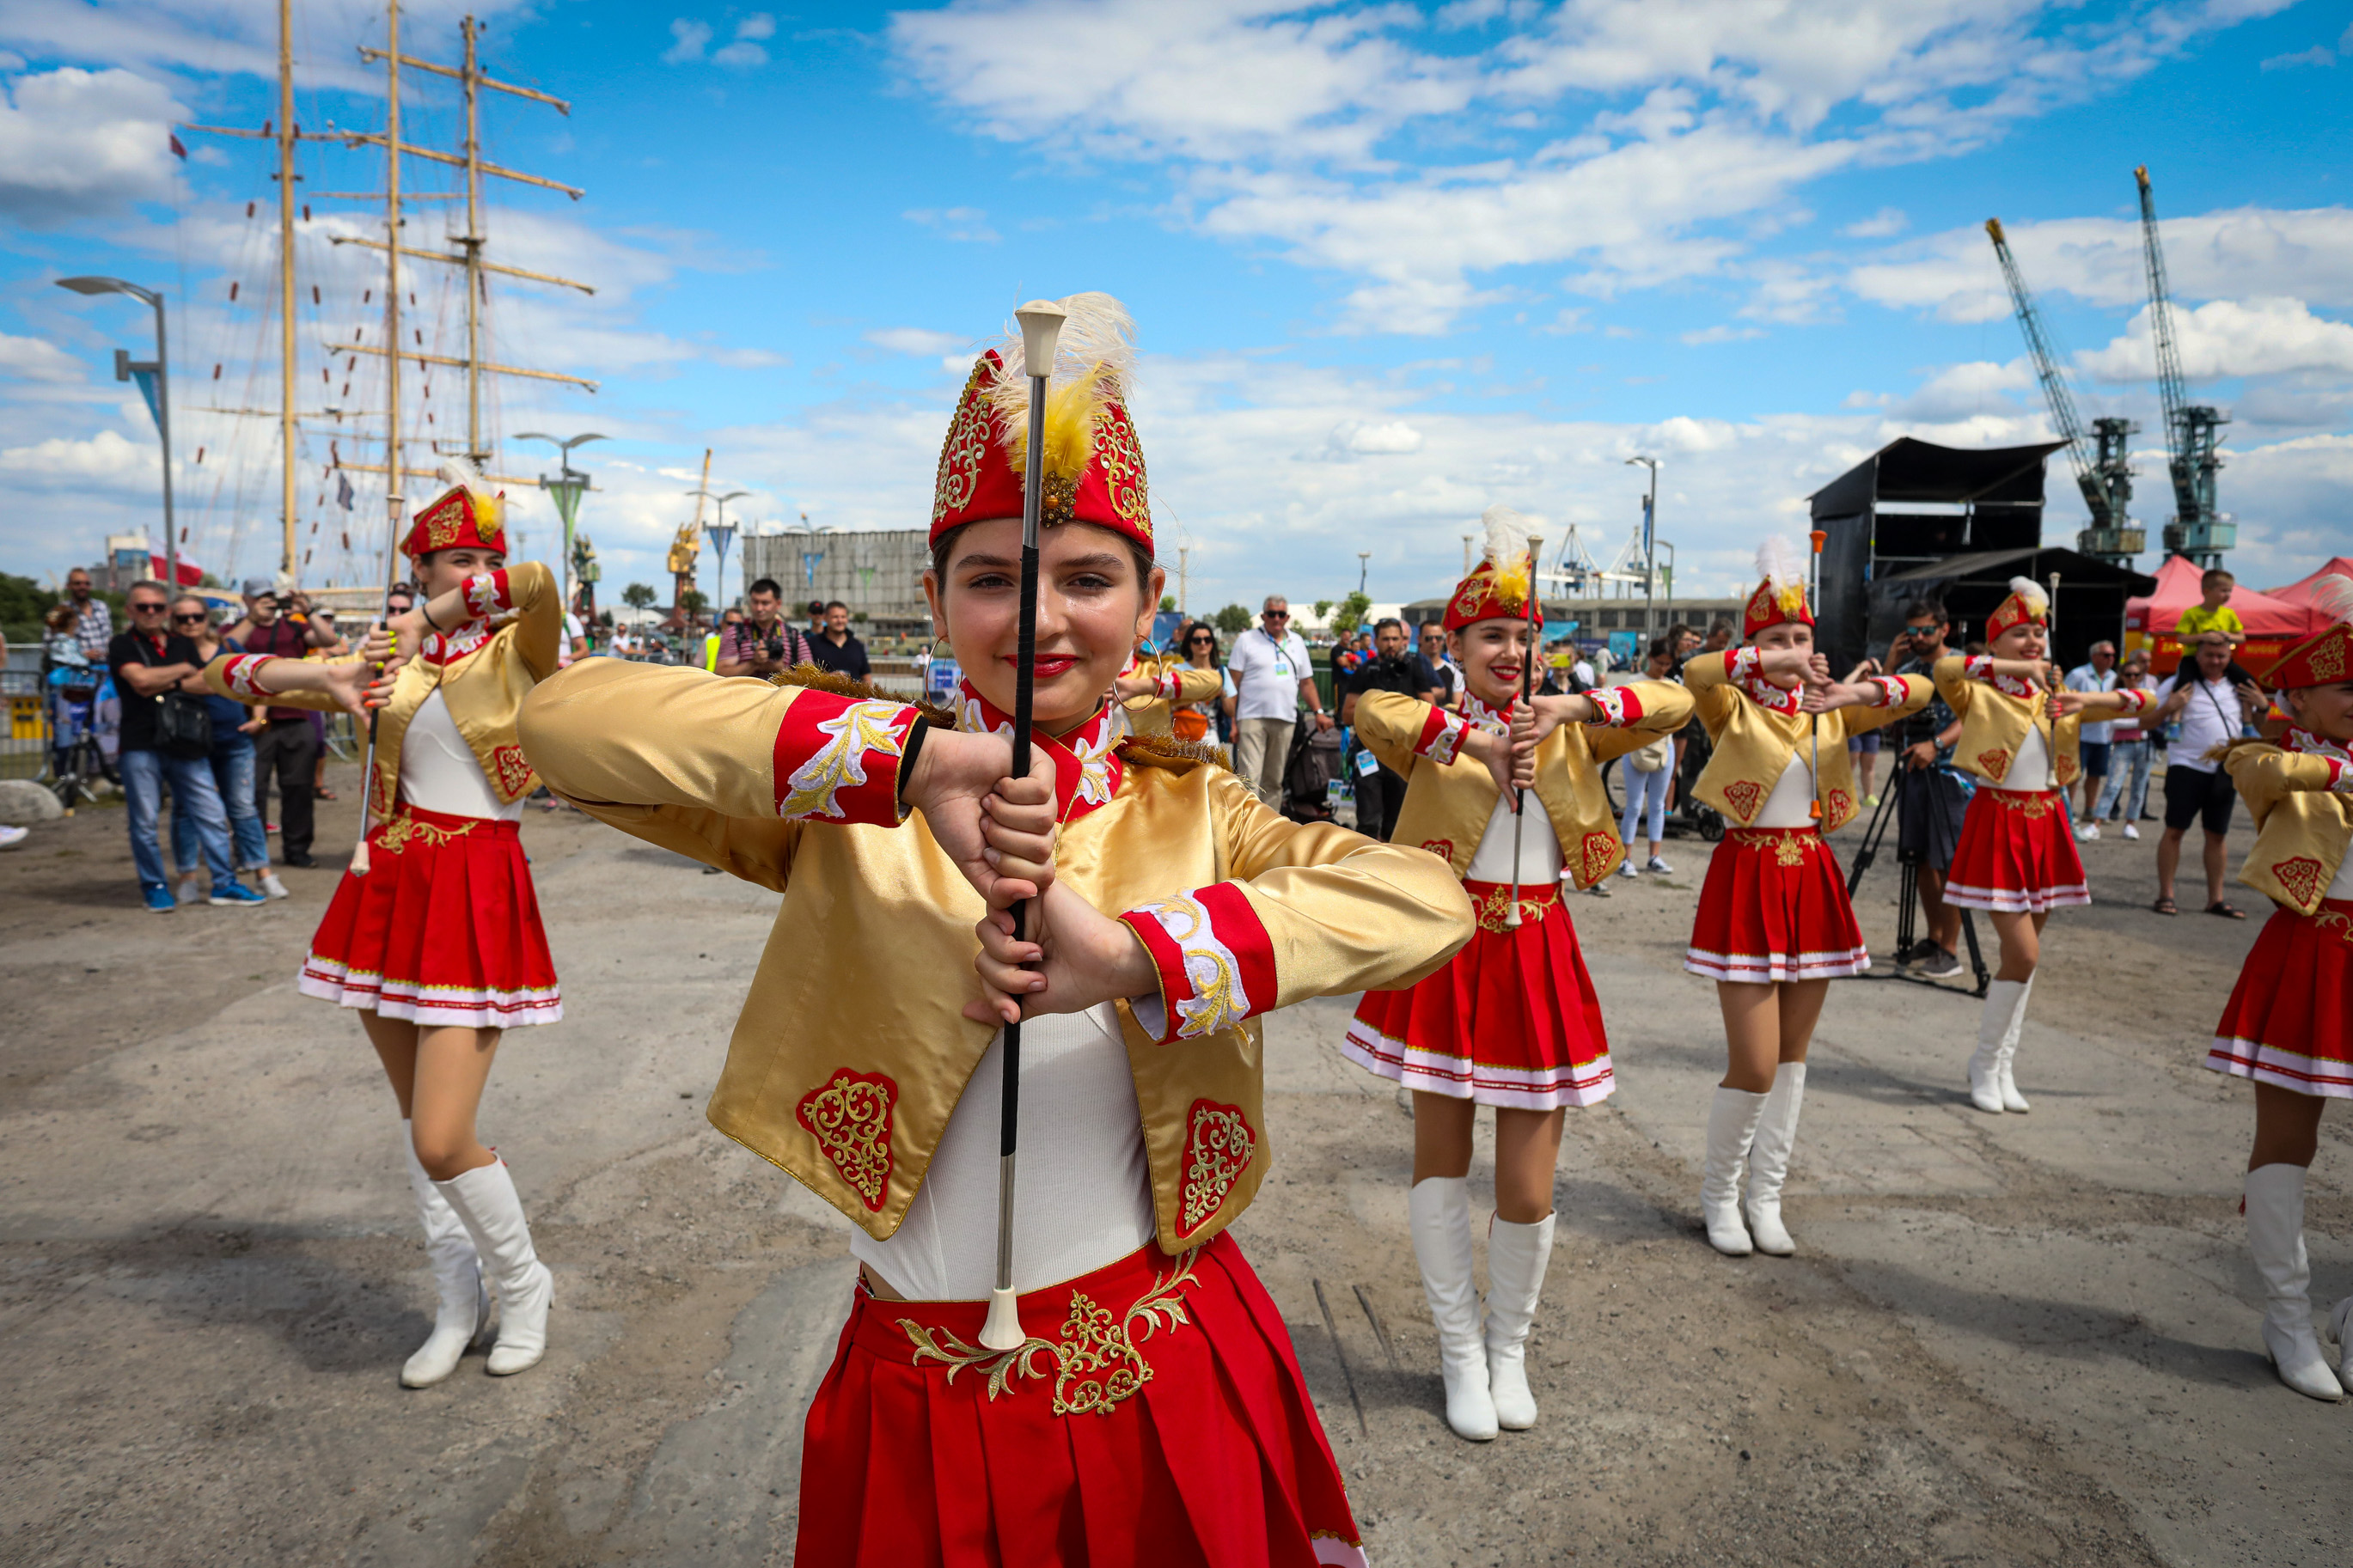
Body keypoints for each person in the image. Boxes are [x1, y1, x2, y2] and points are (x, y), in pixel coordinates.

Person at [519, 293, 1468, 1565]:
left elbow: (1427, 901)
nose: (1037, 619)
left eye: (1087, 579)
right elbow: (563, 725)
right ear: (933, 594)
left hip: (1159, 1359)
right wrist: (901, 763)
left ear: (1149, 602)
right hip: (911, 1380)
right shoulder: (846, 792)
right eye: (990, 580)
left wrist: (1143, 955)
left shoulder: (1193, 801)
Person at [199, 461, 566, 1388]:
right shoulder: (391, 666)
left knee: (447, 1134)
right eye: (455, 558)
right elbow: (222, 673)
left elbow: (536, 586)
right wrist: (321, 670)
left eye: (486, 553)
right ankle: (456, 1300)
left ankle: (524, 1285)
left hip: (476, 886)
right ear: (419, 565)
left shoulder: (518, 651)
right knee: (417, 1126)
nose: (478, 568)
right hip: (392, 885)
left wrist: (436, 615)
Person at [1343, 507, 1691, 1442]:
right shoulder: (1435, 725)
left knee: (1528, 1188)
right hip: (1449, 952)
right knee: (1439, 1167)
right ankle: (1458, 1351)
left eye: (1522, 634)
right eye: (1489, 634)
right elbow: (1365, 707)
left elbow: (1677, 702)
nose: (1509, 649)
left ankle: (1509, 1350)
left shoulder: (1570, 726)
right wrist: (1481, 743)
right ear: (1451, 643)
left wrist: (1573, 707)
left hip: (1538, 954)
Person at [1681, 538, 1930, 1257]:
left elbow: (1918, 691)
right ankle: (1719, 1194)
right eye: (1775, 639)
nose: (1792, 649)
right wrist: (1763, 662)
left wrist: (1850, 693)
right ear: (1753, 645)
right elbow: (1698, 670)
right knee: (1754, 1060)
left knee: (1793, 1058)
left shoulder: (1826, 707)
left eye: (1801, 638)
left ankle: (1767, 1196)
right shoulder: (1731, 705)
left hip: (1811, 876)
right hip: (1748, 874)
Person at [2200, 601, 2353, 1400]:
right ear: (2297, 697)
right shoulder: (2270, 752)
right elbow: (2260, 774)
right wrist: (2341, 769)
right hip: (2312, 952)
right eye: (2346, 685)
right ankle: (2287, 1318)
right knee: (2289, 1140)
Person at [1937, 578, 2151, 1113]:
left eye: (2038, 632)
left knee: (2025, 961)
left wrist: (2089, 697)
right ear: (1995, 646)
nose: (2033, 641)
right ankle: (1985, 1063)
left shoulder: (2059, 697)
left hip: (2047, 824)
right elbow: (1944, 670)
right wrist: (2016, 671)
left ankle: (2004, 1065)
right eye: (2019, 634)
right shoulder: (1980, 689)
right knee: (2023, 952)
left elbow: (2148, 701)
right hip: (1998, 823)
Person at [107, 582, 266, 912]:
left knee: (211, 812)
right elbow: (140, 682)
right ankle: (155, 886)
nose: (151, 612)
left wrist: (169, 679)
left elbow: (207, 682)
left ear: (166, 610)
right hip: (140, 744)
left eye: (157, 607)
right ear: (130, 611)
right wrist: (180, 673)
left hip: (186, 741)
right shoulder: (122, 644)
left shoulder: (180, 643)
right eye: (142, 607)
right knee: (145, 820)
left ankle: (225, 883)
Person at [168, 595, 284, 903]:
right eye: (183, 618)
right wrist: (206, 681)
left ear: (207, 618)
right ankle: (188, 877)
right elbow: (203, 684)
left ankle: (263, 873)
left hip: (234, 739)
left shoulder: (230, 648)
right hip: (189, 742)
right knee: (185, 811)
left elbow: (257, 680)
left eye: (197, 616)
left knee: (244, 808)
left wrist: (259, 719)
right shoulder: (172, 651)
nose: (191, 623)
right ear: (174, 622)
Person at [2152, 630, 2266, 918]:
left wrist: (2262, 705)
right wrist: (2170, 707)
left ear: (2230, 656)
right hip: (2186, 766)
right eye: (2209, 655)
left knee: (2217, 834)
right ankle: (2165, 894)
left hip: (2225, 769)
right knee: (2175, 830)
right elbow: (2145, 721)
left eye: (2222, 656)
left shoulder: (2237, 685)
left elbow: (2259, 724)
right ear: (2197, 655)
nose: (2215, 661)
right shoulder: (2178, 684)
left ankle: (2215, 899)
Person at [1888, 599, 1970, 975]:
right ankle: (1935, 936)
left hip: (1952, 776)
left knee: (1949, 861)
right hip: (1913, 772)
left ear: (1944, 629)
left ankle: (1951, 949)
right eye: (1913, 631)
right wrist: (1890, 664)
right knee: (1918, 856)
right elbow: (1886, 717)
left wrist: (1936, 744)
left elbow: (1975, 716)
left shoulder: (1964, 666)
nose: (1920, 638)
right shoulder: (1908, 669)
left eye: (1927, 630)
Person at [229, 578, 335, 868]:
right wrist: (253, 619)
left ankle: (297, 850)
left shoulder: (293, 627)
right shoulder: (238, 629)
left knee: (299, 789)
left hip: (297, 717)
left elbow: (329, 640)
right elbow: (227, 645)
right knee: (252, 792)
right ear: (247, 600)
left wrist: (308, 609)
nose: (268, 602)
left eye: (270, 597)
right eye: (260, 597)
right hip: (253, 722)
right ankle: (250, 853)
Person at [1227, 595, 1330, 805]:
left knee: (1274, 780)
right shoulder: (1246, 640)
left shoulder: (1297, 641)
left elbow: (1307, 683)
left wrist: (1319, 712)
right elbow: (1232, 684)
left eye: (1280, 614)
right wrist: (1231, 721)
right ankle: (1246, 829)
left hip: (1285, 717)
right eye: (1271, 614)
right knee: (1250, 779)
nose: (1276, 618)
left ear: (1287, 617)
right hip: (1251, 717)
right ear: (1263, 616)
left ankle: (1271, 829)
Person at [1335, 618, 1426, 840]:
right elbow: (1347, 713)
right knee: (1368, 822)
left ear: (1404, 640)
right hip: (1370, 754)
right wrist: (1378, 714)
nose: (1391, 644)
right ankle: (1366, 870)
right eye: (1386, 639)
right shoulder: (1366, 670)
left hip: (1403, 756)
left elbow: (1430, 706)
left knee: (1397, 824)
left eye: (1396, 639)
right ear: (1376, 641)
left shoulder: (1414, 668)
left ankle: (1393, 872)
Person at [1616, 637, 1679, 877]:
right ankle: (1626, 858)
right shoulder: (1634, 682)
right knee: (1633, 805)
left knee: (1658, 805)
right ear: (1650, 658)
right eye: (1659, 662)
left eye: (1667, 664)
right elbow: (1624, 715)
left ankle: (1655, 856)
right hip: (1636, 747)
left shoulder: (1672, 685)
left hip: (1665, 747)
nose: (1663, 668)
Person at [1109, 622, 1224, 739]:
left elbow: (1214, 682)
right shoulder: (1091, 674)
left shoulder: (1156, 669)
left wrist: (1139, 687)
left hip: (1145, 754)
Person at [2093, 650, 2158, 837]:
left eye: (2136, 675)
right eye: (2128, 674)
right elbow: (2113, 721)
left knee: (2139, 786)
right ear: (2122, 676)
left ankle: (2131, 823)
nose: (2133, 678)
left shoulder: (2148, 693)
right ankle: (2097, 822)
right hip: (2123, 744)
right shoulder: (2117, 695)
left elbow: (2152, 719)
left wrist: (2134, 719)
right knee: (2113, 784)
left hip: (2144, 744)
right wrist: (2140, 720)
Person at [2067, 640, 2121, 838]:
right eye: (2106, 655)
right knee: (2074, 774)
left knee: (2096, 775)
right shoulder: (2078, 675)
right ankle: (2069, 810)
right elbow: (2064, 696)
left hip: (2104, 734)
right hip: (2081, 733)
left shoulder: (2114, 677)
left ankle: (2090, 808)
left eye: (2113, 655)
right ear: (2094, 656)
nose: (2111, 659)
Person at [714, 577, 813, 679]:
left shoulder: (793, 636)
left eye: (765, 603)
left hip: (783, 694)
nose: (759, 608)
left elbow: (811, 678)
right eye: (755, 602)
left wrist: (781, 669)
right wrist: (754, 663)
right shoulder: (735, 632)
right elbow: (720, 673)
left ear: (778, 604)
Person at [1164, 621, 1224, 744]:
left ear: (1212, 642)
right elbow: (1163, 705)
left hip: (1209, 736)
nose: (1203, 643)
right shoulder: (1176, 669)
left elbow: (1231, 711)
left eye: (1207, 639)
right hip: (1180, 733)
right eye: (1197, 640)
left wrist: (1222, 693)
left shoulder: (1221, 672)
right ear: (1189, 643)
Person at [2175, 568, 2246, 649]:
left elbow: (2242, 638)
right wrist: (2203, 637)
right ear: (2206, 592)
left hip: (2221, 657)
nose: (2227, 595)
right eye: (2223, 591)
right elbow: (2181, 639)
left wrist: (2228, 636)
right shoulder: (2191, 613)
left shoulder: (2229, 613)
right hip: (2193, 657)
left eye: (2229, 591)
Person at [808, 600, 871, 679]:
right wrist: (826, 678)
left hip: (854, 691)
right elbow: (806, 676)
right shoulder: (812, 644)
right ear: (825, 618)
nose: (840, 621)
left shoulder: (857, 645)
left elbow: (866, 674)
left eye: (843, 617)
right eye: (835, 617)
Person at [64, 566, 113, 661]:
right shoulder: (62, 611)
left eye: (87, 584)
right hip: (78, 670)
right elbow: (50, 648)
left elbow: (109, 636)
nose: (83, 587)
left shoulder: (102, 607)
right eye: (77, 583)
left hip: (105, 667)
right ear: (68, 586)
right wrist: (81, 655)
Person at [1417, 619, 1460, 704]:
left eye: (1438, 638)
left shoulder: (1454, 671)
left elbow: (1457, 706)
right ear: (1419, 639)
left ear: (1444, 640)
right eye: (1428, 638)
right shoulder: (1409, 667)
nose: (1434, 642)